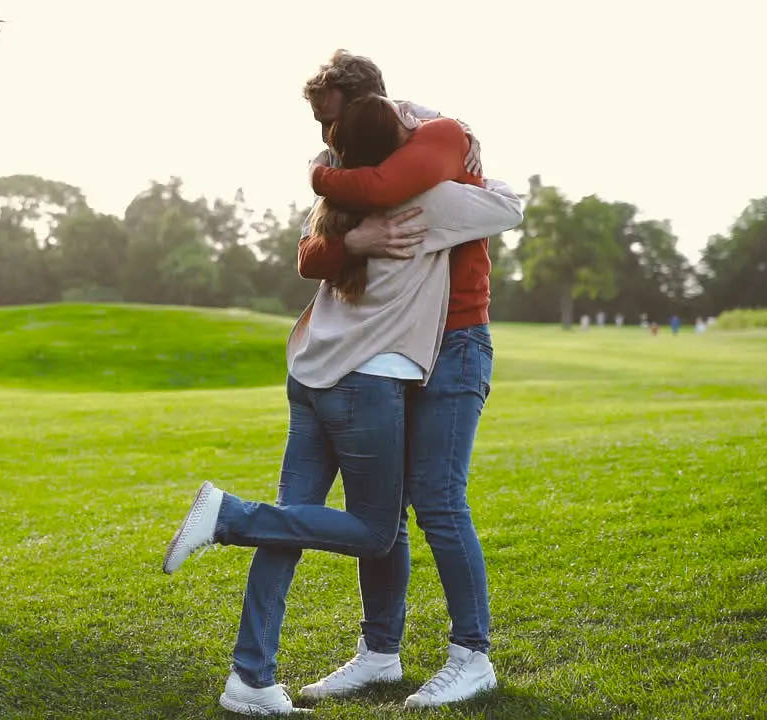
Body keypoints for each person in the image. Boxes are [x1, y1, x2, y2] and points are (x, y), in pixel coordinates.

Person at [162, 94, 523, 715]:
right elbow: (509, 205)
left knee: (409, 504)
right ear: (401, 147)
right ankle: (401, 651)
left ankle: (447, 655)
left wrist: (335, 188)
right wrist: (471, 153)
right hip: (381, 366)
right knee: (387, 520)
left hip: (377, 356)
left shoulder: (338, 203)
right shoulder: (429, 197)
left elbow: (310, 255)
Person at [293, 51, 508, 709]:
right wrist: (350, 225)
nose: (327, 141)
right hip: (392, 352)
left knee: (438, 499)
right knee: (385, 511)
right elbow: (313, 256)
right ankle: (380, 653)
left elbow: (397, 190)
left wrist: (320, 176)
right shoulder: (358, 165)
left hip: (455, 344)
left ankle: (472, 656)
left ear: (363, 103)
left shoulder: (438, 143)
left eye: (333, 123)